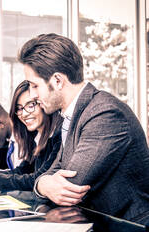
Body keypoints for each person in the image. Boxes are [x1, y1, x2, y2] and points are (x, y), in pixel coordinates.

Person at [19, 33, 149, 225]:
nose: (32, 94)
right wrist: (44, 184)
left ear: (57, 80)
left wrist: (44, 184)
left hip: (128, 227)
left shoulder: (104, 113)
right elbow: (52, 174)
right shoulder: (72, 115)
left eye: (34, 85)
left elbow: (70, 187)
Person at [0, 81, 62, 191]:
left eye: (31, 105)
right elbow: (22, 171)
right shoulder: (35, 137)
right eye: (19, 108)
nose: (24, 114)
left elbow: (37, 179)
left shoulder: (57, 136)